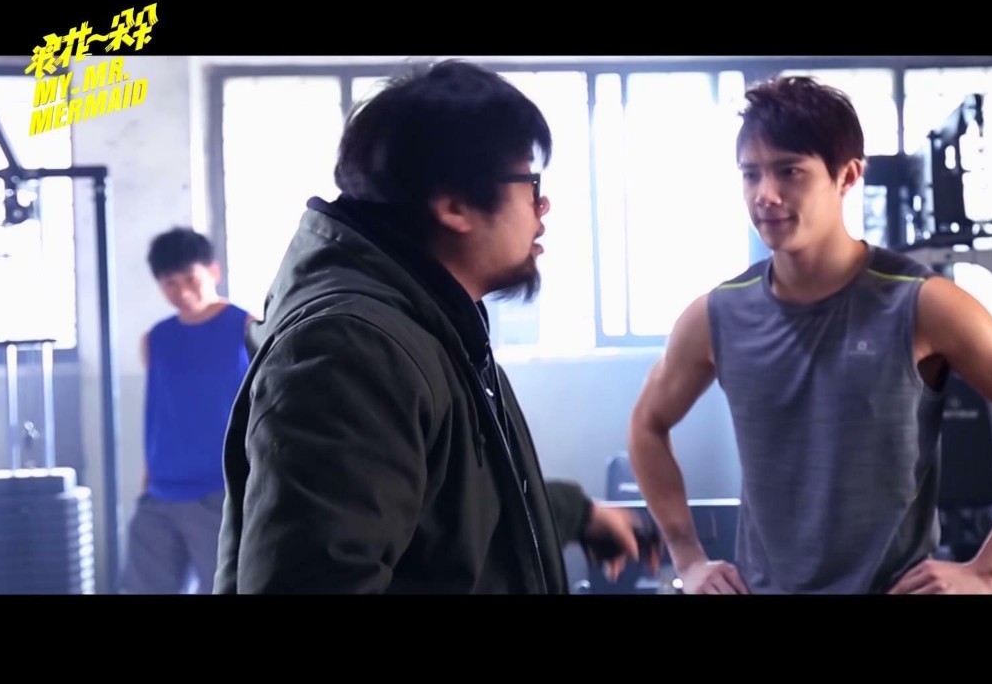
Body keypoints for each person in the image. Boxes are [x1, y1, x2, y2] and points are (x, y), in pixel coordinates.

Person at [627, 75, 992, 595]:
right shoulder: (715, 315)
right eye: (750, 174)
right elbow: (647, 425)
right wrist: (689, 559)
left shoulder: (923, 305)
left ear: (847, 176)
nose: (765, 195)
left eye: (789, 171)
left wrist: (987, 571)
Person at [213, 60, 659, 594]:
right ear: (454, 205)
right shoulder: (354, 350)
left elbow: (454, 514)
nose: (543, 206)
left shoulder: (429, 323)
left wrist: (575, 512)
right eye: (529, 182)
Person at [120, 227, 253, 594]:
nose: (182, 292)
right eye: (170, 283)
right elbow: (158, 414)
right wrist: (148, 482)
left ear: (213, 271)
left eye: (190, 279)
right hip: (160, 495)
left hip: (222, 492)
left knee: (227, 587)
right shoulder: (156, 339)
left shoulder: (246, 327)